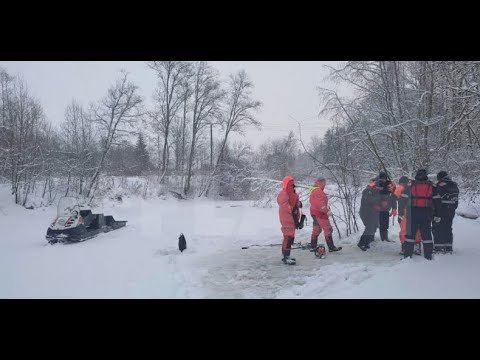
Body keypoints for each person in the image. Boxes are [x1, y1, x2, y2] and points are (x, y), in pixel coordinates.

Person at [398, 169, 440, 260]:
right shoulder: (432, 186)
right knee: (427, 235)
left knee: (410, 235)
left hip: (412, 213)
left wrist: (401, 212)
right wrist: (437, 214)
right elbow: (437, 201)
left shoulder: (410, 185)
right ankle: (428, 256)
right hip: (427, 213)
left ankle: (407, 256)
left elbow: (402, 200)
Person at [308, 177, 342, 255]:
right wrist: (327, 211)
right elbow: (321, 205)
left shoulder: (315, 190)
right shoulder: (318, 191)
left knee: (317, 229)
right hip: (320, 214)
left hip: (315, 213)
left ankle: (313, 246)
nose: (325, 184)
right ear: (321, 182)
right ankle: (331, 247)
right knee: (328, 229)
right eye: (324, 182)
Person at [433, 171, 459, 254]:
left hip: (441, 210)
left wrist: (435, 211)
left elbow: (436, 198)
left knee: (438, 228)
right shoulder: (454, 185)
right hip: (451, 210)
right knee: (448, 228)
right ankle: (448, 247)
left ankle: (439, 248)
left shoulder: (440, 185)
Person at [277, 176, 302, 265]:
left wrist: (298, 204)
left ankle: (286, 255)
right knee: (288, 237)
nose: (292, 184)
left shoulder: (294, 193)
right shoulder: (283, 194)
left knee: (290, 237)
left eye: (292, 182)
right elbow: (284, 205)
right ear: (286, 184)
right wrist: (293, 208)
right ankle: (286, 257)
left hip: (293, 217)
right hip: (286, 217)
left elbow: (295, 202)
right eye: (290, 183)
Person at [394, 176, 422, 255]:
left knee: (404, 230)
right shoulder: (416, 186)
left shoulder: (400, 187)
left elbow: (395, 196)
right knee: (417, 229)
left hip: (404, 212)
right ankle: (417, 246)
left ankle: (404, 247)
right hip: (417, 210)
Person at [357, 178, 383, 251]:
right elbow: (370, 200)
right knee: (369, 227)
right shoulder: (367, 190)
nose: (380, 189)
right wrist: (378, 201)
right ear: (376, 186)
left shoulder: (377, 192)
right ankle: (361, 243)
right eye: (379, 187)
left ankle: (366, 243)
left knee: (374, 227)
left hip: (373, 212)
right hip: (366, 212)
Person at [376, 171, 397, 242]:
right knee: (380, 224)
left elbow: (393, 196)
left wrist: (394, 208)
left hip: (386, 208)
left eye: (384, 178)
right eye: (381, 178)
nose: (382, 180)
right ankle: (382, 239)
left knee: (385, 224)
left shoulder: (389, 185)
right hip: (377, 209)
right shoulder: (375, 184)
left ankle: (385, 238)